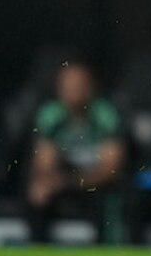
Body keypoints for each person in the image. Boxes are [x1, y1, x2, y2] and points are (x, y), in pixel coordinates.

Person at [26, 60, 127, 244]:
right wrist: (48, 182)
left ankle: (106, 254)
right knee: (37, 192)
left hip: (95, 183)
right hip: (64, 179)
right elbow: (43, 164)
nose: (75, 91)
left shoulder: (105, 115)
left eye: (80, 85)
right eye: (69, 86)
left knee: (110, 198)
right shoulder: (51, 116)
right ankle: (39, 253)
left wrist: (68, 181)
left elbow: (110, 169)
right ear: (59, 89)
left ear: (91, 87)